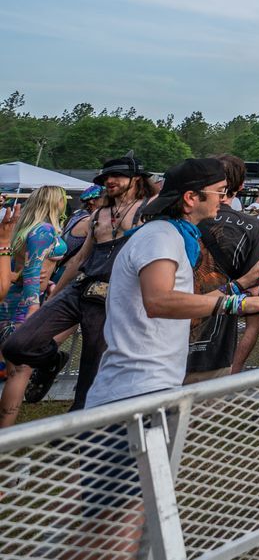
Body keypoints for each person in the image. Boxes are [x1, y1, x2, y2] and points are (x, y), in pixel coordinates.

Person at [87, 158, 259, 408]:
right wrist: (241, 304)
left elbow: (186, 301)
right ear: (190, 198)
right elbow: (159, 302)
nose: (224, 198)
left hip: (154, 385)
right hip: (134, 390)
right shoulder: (160, 237)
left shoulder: (173, 235)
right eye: (219, 191)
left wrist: (241, 284)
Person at [2, 155, 152, 414]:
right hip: (81, 288)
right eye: (106, 177)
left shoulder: (148, 212)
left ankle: (78, 437)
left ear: (136, 179)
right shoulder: (100, 215)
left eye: (116, 176)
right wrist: (52, 298)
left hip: (112, 298)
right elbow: (81, 258)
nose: (109, 181)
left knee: (89, 373)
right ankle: (50, 362)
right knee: (17, 345)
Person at [188, 156, 259, 378]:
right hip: (215, 350)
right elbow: (257, 294)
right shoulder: (254, 227)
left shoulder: (181, 219)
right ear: (241, 186)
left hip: (167, 347)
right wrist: (236, 367)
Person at [0, 187, 67, 414]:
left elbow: (20, 267)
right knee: (20, 371)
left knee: (13, 370)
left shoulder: (22, 228)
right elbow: (33, 270)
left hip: (10, 298)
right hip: (22, 304)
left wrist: (46, 283)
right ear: (55, 203)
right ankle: (7, 436)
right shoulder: (44, 230)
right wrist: (32, 307)